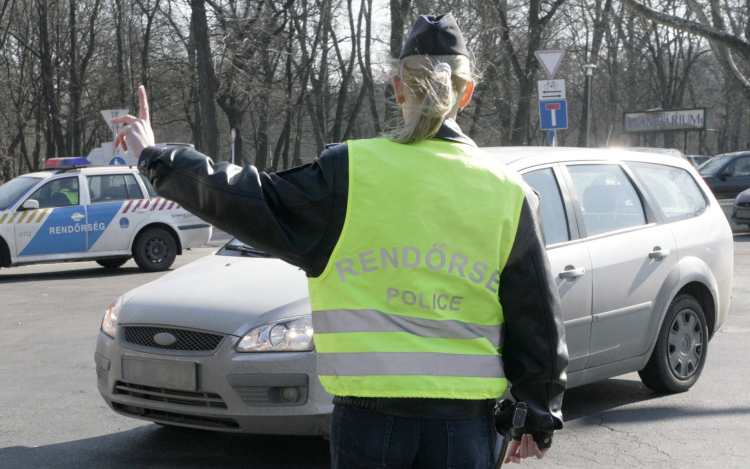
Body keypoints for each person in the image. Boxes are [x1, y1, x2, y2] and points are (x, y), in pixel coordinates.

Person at [114, 13, 567, 468]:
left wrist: (157, 157)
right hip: (463, 430)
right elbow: (537, 319)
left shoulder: (347, 172)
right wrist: (537, 412)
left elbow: (245, 198)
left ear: (397, 87)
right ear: (466, 92)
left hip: (367, 423)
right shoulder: (511, 193)